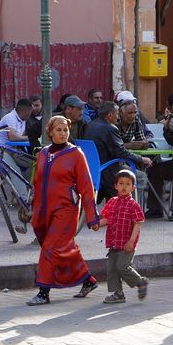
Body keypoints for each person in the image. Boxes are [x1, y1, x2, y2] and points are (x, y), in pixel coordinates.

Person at [26, 116, 100, 306]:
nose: (62, 133)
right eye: (58, 130)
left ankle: (43, 292)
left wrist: (92, 216)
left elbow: (86, 185)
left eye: (65, 130)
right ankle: (88, 280)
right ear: (50, 132)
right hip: (43, 210)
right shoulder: (42, 154)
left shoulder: (76, 154)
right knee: (61, 248)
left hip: (66, 210)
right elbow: (37, 182)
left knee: (51, 247)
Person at [94, 169, 149, 304]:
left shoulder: (134, 205)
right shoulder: (112, 202)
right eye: (121, 183)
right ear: (115, 186)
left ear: (133, 187)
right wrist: (97, 225)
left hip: (126, 244)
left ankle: (140, 282)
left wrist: (131, 242)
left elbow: (137, 224)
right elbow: (107, 219)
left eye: (128, 184)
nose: (124, 186)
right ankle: (118, 294)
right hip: (113, 243)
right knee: (112, 269)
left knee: (122, 267)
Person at [82, 101, 151, 201]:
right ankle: (124, 207)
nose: (118, 117)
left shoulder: (90, 125)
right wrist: (142, 159)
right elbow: (121, 152)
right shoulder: (110, 128)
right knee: (141, 177)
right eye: (117, 114)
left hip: (92, 169)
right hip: (107, 170)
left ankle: (113, 209)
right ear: (110, 115)